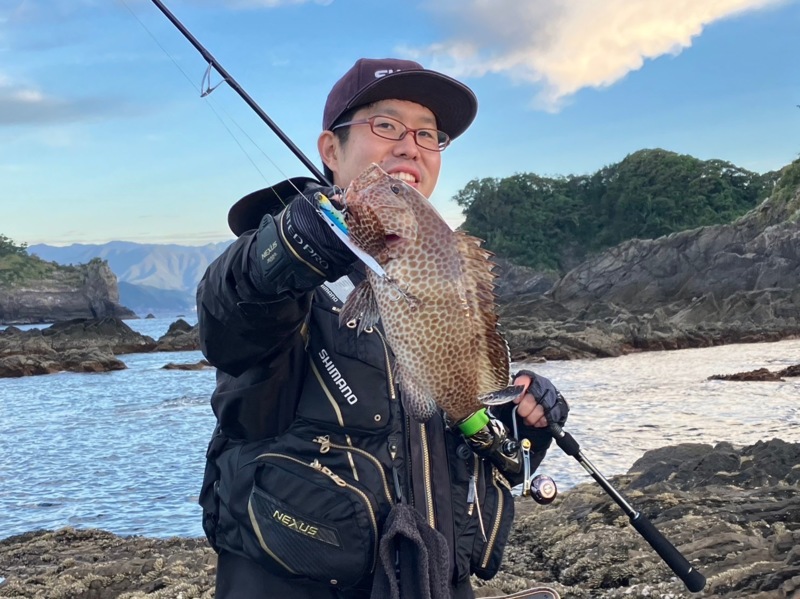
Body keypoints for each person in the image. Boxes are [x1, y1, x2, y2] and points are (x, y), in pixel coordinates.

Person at [197, 57, 569, 599]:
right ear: (331, 151)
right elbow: (227, 315)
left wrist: (520, 416)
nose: (410, 147)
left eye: (428, 135)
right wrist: (289, 246)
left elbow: (475, 437)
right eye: (387, 125)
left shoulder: (443, 270)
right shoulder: (279, 275)